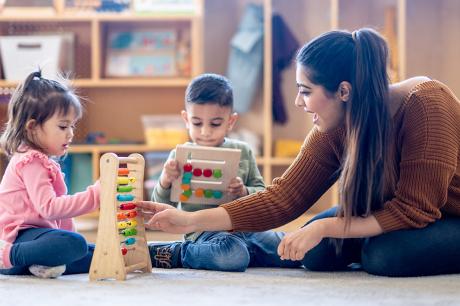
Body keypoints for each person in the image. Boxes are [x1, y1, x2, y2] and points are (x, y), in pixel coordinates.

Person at [137, 28, 460, 277]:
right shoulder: (337, 123)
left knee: (385, 256)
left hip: (446, 215)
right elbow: (284, 197)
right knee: (314, 253)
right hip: (395, 214)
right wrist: (189, 220)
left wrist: (325, 226)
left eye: (305, 91)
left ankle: (372, 245)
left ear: (344, 91)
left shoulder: (427, 106)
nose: (298, 103)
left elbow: (414, 209)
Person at [147, 73, 300, 271]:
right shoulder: (178, 155)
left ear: (230, 121)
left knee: (295, 247)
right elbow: (162, 207)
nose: (205, 131)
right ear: (186, 119)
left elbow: (262, 193)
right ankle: (177, 253)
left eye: (215, 123)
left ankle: (248, 254)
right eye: (197, 123)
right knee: (231, 255)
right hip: (205, 234)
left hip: (249, 230)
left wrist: (243, 191)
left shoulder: (243, 151)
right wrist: (165, 181)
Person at [0, 71, 100, 278]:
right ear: (32, 127)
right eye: (63, 126)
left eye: (72, 126)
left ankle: (39, 264)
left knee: (95, 253)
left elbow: (59, 220)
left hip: (37, 238)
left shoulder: (41, 160)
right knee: (75, 244)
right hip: (18, 238)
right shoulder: (31, 161)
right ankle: (8, 256)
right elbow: (50, 209)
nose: (71, 133)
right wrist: (96, 195)